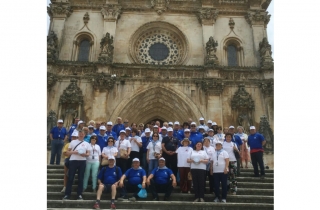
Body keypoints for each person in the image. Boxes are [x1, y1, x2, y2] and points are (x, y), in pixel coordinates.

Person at [63, 130, 90, 200]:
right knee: (71, 178)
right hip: (73, 161)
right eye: (80, 134)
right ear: (78, 134)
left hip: (82, 161)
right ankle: (67, 194)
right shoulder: (73, 142)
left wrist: (84, 154)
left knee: (81, 178)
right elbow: (67, 152)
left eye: (82, 134)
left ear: (84, 135)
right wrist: (74, 152)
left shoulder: (87, 143)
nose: (81, 135)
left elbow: (88, 154)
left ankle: (79, 195)